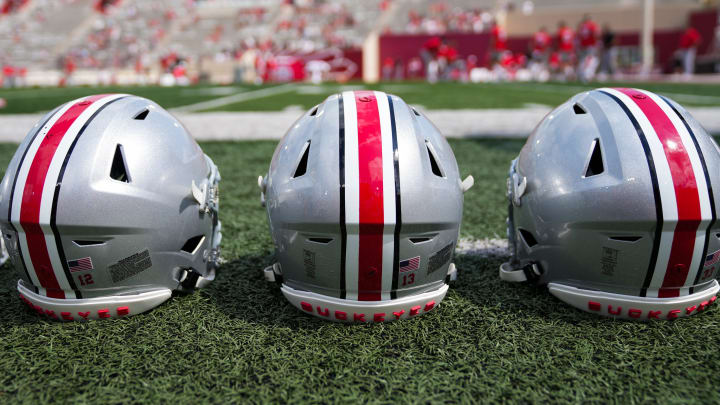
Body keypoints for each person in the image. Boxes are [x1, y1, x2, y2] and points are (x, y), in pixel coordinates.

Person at [577, 14, 599, 82]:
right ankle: (587, 75)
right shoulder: (592, 25)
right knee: (591, 60)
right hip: (590, 45)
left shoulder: (581, 26)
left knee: (583, 60)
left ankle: (582, 74)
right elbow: (596, 34)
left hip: (583, 46)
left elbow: (579, 36)